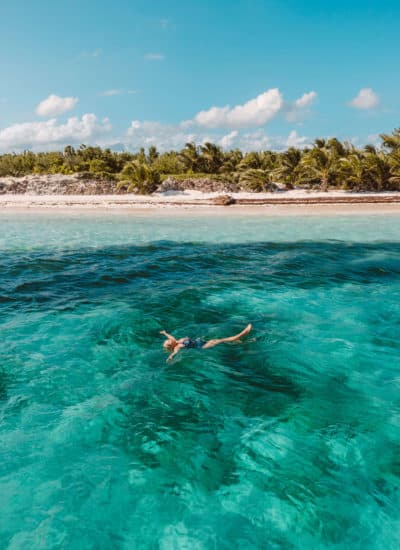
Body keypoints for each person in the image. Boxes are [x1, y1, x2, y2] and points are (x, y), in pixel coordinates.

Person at [160, 323, 252, 362]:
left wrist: (165, 333)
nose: (169, 340)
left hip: (200, 342)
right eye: (168, 342)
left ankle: (245, 342)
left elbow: (169, 336)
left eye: (167, 340)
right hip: (202, 346)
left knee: (223, 342)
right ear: (171, 345)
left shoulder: (176, 340)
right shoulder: (177, 346)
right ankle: (242, 334)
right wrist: (171, 357)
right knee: (221, 340)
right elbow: (175, 353)